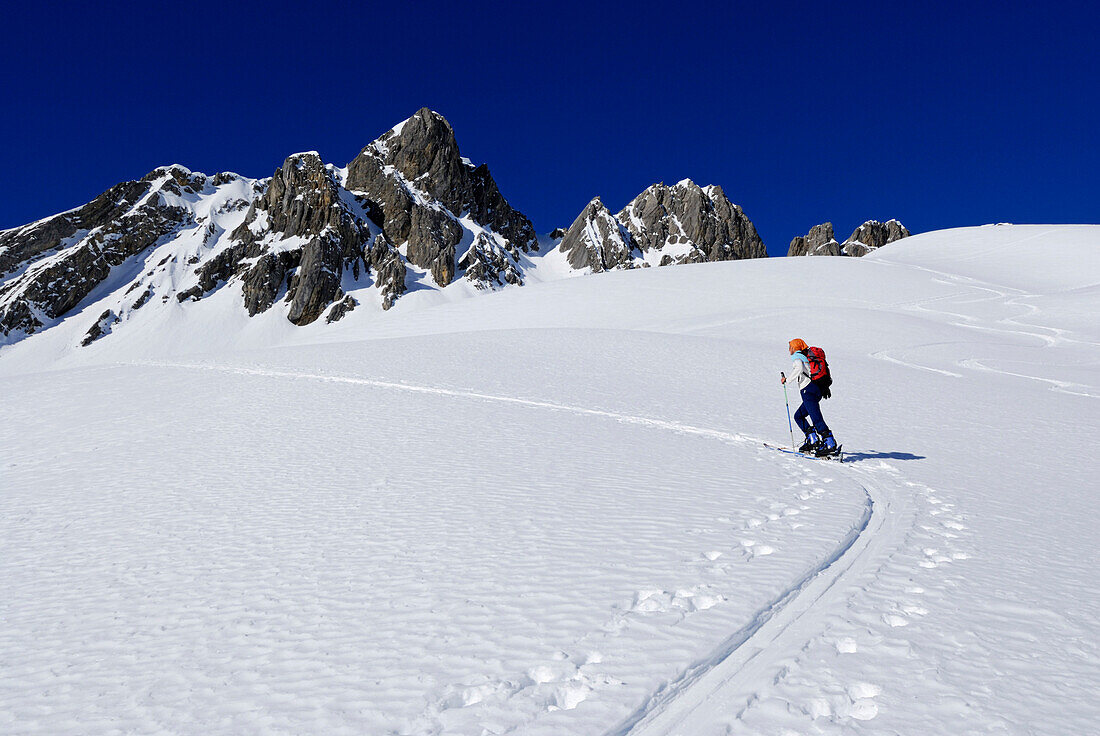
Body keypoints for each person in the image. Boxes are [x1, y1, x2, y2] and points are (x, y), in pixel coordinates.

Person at [780, 338, 840, 457]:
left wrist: (787, 380)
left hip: (808, 391)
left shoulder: (797, 357)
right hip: (814, 390)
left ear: (795, 348)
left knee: (816, 417)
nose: (789, 350)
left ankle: (830, 443)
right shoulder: (806, 356)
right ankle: (813, 441)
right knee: (799, 416)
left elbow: (799, 368)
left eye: (790, 347)